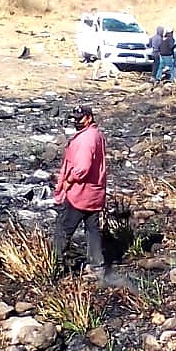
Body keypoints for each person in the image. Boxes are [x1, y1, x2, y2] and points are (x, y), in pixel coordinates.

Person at [53, 104, 107, 279]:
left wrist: (69, 181)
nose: (77, 122)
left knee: (63, 229)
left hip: (80, 192)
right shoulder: (95, 135)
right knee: (92, 229)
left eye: (80, 118)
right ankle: (97, 266)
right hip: (94, 193)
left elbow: (82, 168)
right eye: (75, 119)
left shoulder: (86, 139)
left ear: (89, 118)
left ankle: (55, 265)